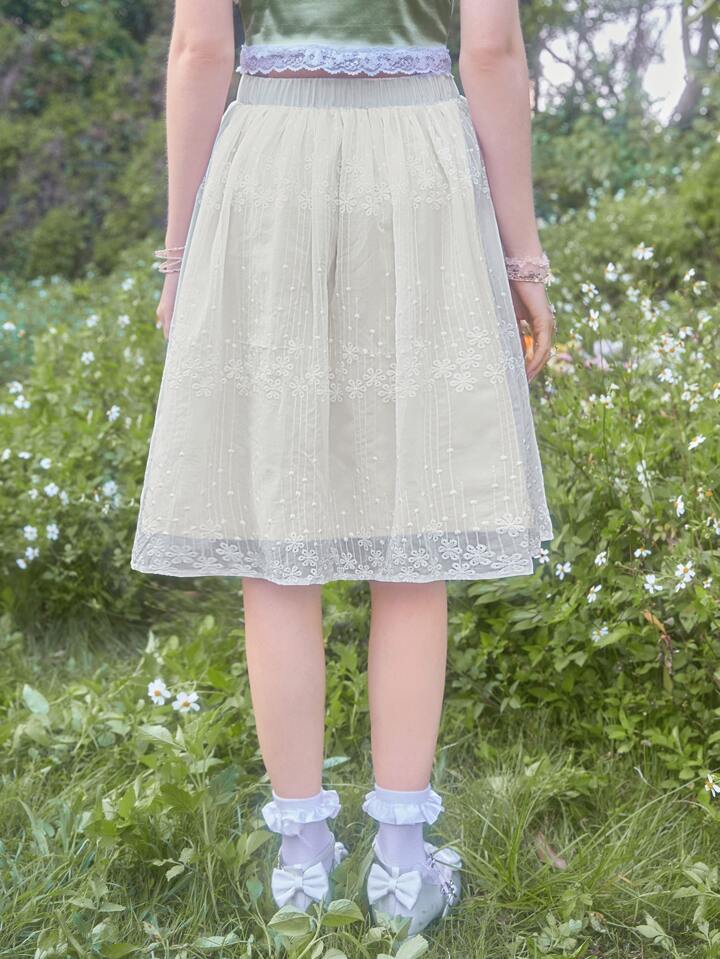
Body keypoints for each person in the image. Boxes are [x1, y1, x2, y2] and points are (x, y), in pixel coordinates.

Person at [131, 0, 554, 934]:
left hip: (271, 158)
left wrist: (180, 252)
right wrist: (523, 259)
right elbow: (491, 50)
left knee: (279, 531)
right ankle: (402, 868)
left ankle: (301, 867)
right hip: (417, 161)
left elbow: (200, 48)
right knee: (414, 525)